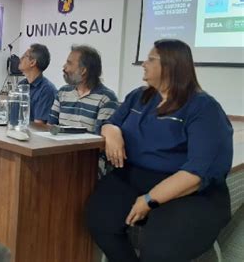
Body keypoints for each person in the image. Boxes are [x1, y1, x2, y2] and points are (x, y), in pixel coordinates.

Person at [86, 39, 233, 262]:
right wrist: (111, 130)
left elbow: (197, 173)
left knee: (160, 248)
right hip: (134, 177)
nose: (143, 64)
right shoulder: (139, 96)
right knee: (99, 220)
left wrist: (149, 200)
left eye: (151, 59)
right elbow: (109, 123)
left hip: (188, 190)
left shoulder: (202, 107)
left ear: (172, 65)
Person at [48, 45, 118, 134]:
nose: (64, 67)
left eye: (69, 63)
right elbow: (50, 127)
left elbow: (101, 139)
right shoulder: (63, 92)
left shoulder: (106, 99)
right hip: (58, 146)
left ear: (83, 70)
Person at [17, 43, 57, 123]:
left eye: (25, 56)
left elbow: (39, 125)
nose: (20, 58)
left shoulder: (47, 90)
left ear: (32, 63)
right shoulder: (21, 84)